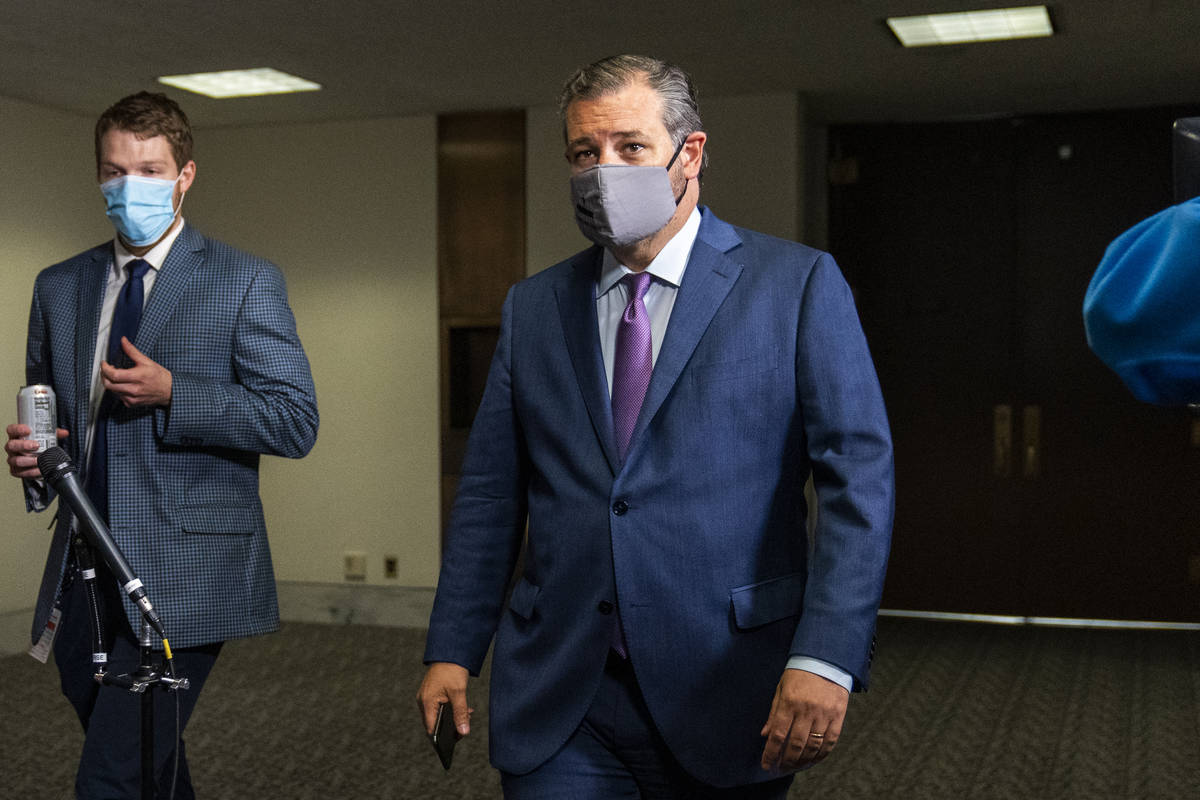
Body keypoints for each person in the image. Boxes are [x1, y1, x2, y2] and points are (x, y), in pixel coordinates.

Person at [417, 54, 893, 798]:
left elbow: (857, 486)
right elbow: (490, 494)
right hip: (562, 687)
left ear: (689, 153)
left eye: (629, 147)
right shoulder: (534, 307)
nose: (603, 170)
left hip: (728, 682)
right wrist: (452, 647)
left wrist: (825, 655)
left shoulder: (795, 285)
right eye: (584, 153)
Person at [5, 91, 319, 799]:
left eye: (149, 171)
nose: (129, 187)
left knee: (111, 777)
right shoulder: (59, 286)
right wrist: (34, 462)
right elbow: (51, 421)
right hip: (83, 568)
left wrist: (178, 392)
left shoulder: (244, 282)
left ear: (185, 175)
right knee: (148, 764)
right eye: (115, 171)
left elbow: (295, 421)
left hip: (187, 569)